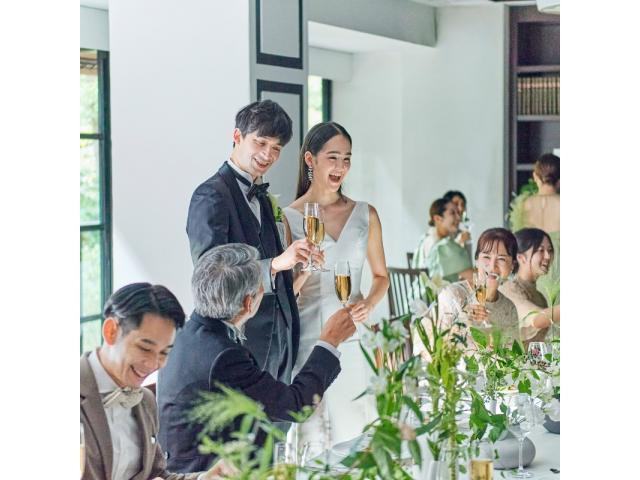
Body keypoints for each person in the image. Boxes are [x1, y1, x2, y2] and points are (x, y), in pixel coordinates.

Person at [157, 244, 356, 472]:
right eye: (262, 285)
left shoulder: (182, 332)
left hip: (178, 464)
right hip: (210, 472)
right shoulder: (225, 357)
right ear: (248, 303)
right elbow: (296, 405)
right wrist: (329, 340)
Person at [186, 100, 312, 388]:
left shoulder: (262, 196)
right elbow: (212, 278)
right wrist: (278, 263)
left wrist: (300, 270)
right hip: (241, 343)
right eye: (261, 142)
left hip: (280, 342)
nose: (268, 154)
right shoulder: (210, 195)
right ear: (237, 136)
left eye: (277, 148)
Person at [282, 121, 389, 446]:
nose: (341, 167)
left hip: (354, 337)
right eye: (333, 158)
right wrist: (304, 271)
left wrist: (368, 303)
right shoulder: (289, 217)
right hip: (309, 340)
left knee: (356, 429)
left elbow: (381, 277)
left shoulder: (366, 214)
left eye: (347, 159)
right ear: (310, 160)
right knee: (313, 435)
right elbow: (285, 293)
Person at [80, 283, 232, 480]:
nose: (154, 364)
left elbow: (157, 475)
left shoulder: (146, 401)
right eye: (145, 348)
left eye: (164, 353)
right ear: (111, 331)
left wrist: (204, 478)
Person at [415, 228, 520, 354]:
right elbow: (433, 349)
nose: (492, 266)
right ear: (477, 261)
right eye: (486, 257)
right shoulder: (453, 296)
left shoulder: (509, 308)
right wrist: (463, 320)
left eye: (501, 259)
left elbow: (513, 356)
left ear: (512, 265)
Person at [500, 228, 560, 348]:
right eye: (540, 250)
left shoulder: (540, 298)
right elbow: (536, 319)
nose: (548, 256)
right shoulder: (508, 290)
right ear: (521, 258)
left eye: (550, 250)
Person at [412, 198, 473, 283]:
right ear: (437, 218)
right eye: (452, 213)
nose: (458, 218)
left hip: (420, 291)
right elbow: (473, 277)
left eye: (458, 213)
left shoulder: (424, 240)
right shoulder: (444, 245)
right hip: (440, 291)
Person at [443, 189, 472, 258]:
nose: (461, 208)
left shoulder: (462, 234)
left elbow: (468, 261)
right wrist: (457, 243)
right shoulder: (440, 233)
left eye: (463, 205)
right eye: (456, 204)